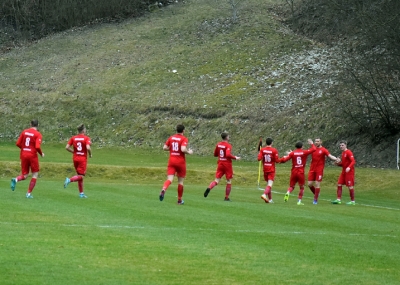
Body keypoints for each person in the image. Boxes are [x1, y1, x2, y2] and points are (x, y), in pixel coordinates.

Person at [159, 124, 193, 205]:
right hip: (180, 162)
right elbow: (183, 149)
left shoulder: (171, 137)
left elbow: (164, 147)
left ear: (176, 130)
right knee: (180, 182)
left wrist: (171, 149)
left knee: (170, 179)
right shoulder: (184, 138)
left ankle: (164, 189)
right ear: (183, 131)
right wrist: (189, 152)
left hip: (171, 161)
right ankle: (179, 200)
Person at [10, 119, 45, 198]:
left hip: (24, 154)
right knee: (35, 174)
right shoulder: (38, 134)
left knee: (25, 175)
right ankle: (28, 193)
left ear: (30, 124)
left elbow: (18, 143)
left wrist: (24, 148)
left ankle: (16, 179)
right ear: (37, 125)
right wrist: (41, 153)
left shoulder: (24, 132)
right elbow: (37, 146)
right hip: (32, 155)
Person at [204, 132, 241, 201]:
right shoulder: (228, 145)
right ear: (226, 137)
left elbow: (215, 154)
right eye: (228, 136)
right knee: (229, 180)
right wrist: (235, 157)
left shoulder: (218, 144)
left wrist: (220, 155)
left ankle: (209, 187)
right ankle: (226, 197)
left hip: (220, 163)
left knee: (216, 180)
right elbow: (227, 154)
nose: (229, 137)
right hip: (227, 164)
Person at [279, 139, 316, 205]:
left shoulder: (292, 153)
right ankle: (299, 201)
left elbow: (285, 160)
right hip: (300, 172)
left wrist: (279, 160)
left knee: (292, 186)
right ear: (302, 146)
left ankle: (288, 192)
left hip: (294, 171)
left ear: (296, 147)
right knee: (302, 187)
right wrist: (312, 143)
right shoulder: (304, 152)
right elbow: (314, 149)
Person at [63, 124, 92, 198]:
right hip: (82, 159)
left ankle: (81, 193)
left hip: (75, 158)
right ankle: (69, 180)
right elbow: (88, 148)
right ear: (83, 130)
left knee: (79, 175)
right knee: (81, 176)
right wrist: (90, 154)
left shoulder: (73, 138)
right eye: (85, 129)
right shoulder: (86, 138)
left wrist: (73, 152)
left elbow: (67, 147)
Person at [307, 138, 338, 204]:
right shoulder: (313, 149)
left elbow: (330, 155)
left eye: (318, 141)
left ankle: (315, 200)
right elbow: (305, 153)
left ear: (321, 142)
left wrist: (336, 159)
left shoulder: (323, 150)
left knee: (317, 184)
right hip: (312, 169)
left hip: (319, 170)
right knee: (309, 184)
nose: (316, 142)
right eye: (315, 141)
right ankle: (316, 193)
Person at [331, 140, 356, 205]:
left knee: (350, 186)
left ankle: (353, 201)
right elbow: (344, 164)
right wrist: (338, 163)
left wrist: (349, 167)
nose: (341, 146)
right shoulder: (343, 153)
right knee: (339, 184)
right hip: (344, 172)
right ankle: (338, 199)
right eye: (340, 145)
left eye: (342, 145)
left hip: (349, 172)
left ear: (345, 145)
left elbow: (353, 161)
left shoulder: (348, 152)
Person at [257, 137, 279, 203]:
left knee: (268, 185)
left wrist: (260, 154)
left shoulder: (262, 150)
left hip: (265, 169)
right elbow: (277, 160)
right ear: (272, 143)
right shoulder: (274, 150)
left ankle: (270, 199)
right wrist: (284, 158)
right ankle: (264, 194)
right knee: (269, 184)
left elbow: (259, 159)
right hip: (271, 169)